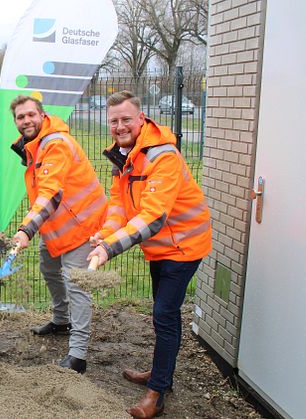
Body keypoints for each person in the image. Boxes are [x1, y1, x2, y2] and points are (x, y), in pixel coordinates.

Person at [87, 90, 211, 418]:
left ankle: (157, 393)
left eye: (126, 119)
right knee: (162, 313)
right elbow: (118, 205)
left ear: (141, 119)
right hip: (160, 249)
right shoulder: (123, 156)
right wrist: (106, 233)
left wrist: (108, 248)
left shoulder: (163, 156)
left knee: (165, 315)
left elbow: (152, 217)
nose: (119, 126)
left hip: (183, 246)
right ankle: (160, 373)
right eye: (114, 121)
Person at [9, 95, 108, 374]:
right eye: (20, 117)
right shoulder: (35, 146)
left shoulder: (55, 144)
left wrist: (27, 229)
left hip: (84, 226)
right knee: (49, 267)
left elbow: (50, 193)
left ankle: (78, 355)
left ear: (42, 115)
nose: (26, 120)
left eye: (31, 114)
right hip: (59, 226)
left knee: (76, 284)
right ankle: (62, 319)